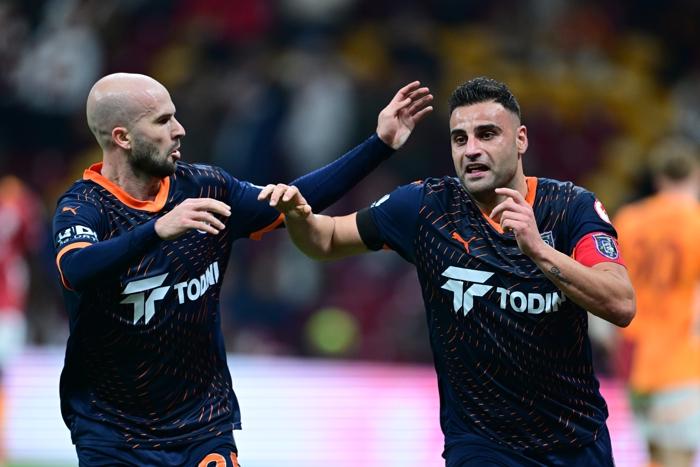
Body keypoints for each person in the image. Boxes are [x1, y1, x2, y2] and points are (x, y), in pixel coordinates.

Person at [51, 72, 433, 466]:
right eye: (162, 121)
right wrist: (157, 229)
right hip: (112, 431)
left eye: (175, 116)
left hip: (202, 426)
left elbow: (294, 199)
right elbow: (75, 268)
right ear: (123, 137)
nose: (179, 130)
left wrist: (380, 144)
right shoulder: (84, 207)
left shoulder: (205, 188)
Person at [259, 76, 636, 466]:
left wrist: (539, 251)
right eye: (460, 139)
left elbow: (621, 304)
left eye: (487, 134)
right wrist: (299, 215)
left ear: (520, 139)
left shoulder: (570, 207)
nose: (471, 150)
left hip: (576, 442)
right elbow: (326, 239)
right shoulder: (426, 206)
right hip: (482, 445)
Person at [614, 139, 700, 467]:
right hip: (680, 362)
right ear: (694, 176)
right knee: (676, 459)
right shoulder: (696, 222)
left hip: (633, 358)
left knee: (654, 459)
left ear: (659, 178)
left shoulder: (629, 219)